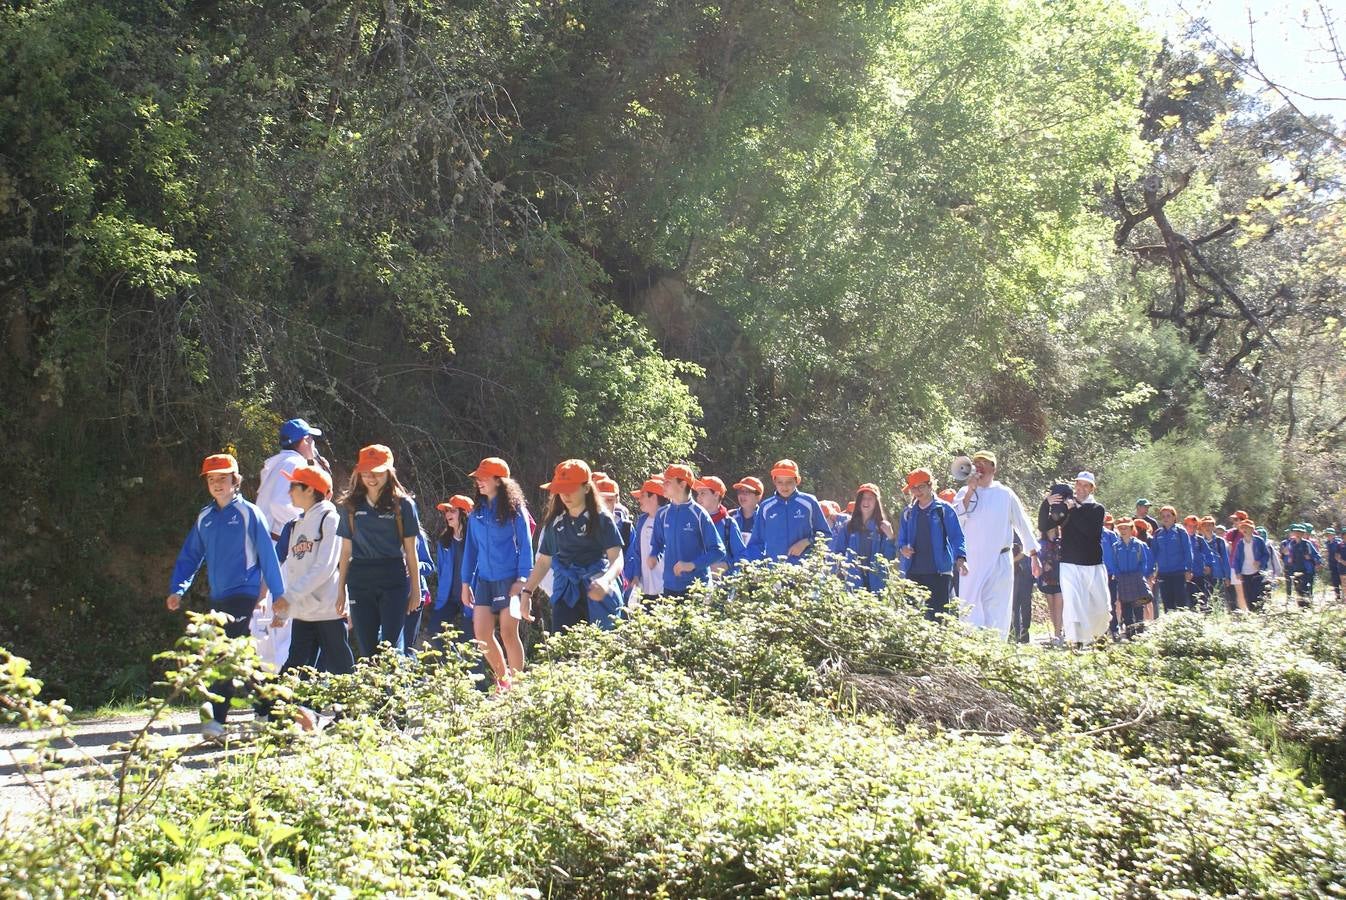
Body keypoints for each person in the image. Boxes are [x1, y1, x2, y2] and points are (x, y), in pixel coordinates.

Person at [166, 453, 288, 738]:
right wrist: (177, 588)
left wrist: (278, 595)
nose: (217, 484)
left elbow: (268, 557)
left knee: (223, 656)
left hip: (244, 595)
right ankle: (268, 711)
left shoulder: (249, 513)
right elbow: (190, 556)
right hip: (218, 599)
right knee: (243, 659)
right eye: (211, 479)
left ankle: (216, 722)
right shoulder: (205, 517)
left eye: (223, 478)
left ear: (236, 480)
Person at [267, 461, 353, 714]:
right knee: (296, 666)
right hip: (303, 612)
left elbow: (326, 566)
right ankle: (283, 716)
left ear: (309, 489)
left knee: (340, 665)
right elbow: (293, 570)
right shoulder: (295, 525)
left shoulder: (330, 518)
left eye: (294, 486)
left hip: (327, 609)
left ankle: (353, 714)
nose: (289, 491)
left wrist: (289, 597)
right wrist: (284, 609)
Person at [336, 444, 422, 659]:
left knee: (390, 648)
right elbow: (345, 551)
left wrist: (417, 589)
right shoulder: (350, 506)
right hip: (360, 579)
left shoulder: (403, 505)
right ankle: (371, 692)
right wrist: (340, 590)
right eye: (366, 472)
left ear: (389, 471)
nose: (371, 477)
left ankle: (394, 691)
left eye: (377, 472)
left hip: (392, 576)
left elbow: (411, 551)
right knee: (366, 649)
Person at [521, 459, 626, 632]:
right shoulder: (555, 522)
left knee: (600, 650)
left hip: (597, 590)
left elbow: (617, 558)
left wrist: (605, 581)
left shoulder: (602, 519)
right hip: (565, 592)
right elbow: (543, 562)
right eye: (561, 490)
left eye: (570, 489)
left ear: (586, 488)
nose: (565, 495)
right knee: (563, 651)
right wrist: (527, 593)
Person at [461, 457, 534, 689]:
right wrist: (465, 582)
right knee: (482, 635)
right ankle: (504, 683)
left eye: (484, 477)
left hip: (510, 580)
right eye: (478, 478)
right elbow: (470, 550)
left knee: (508, 632)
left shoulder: (515, 510)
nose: (479, 482)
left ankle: (518, 687)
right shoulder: (477, 513)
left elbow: (526, 545)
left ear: (499, 480)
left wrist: (523, 579)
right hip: (484, 581)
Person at [951, 451, 1038, 638]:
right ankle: (972, 647)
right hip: (972, 560)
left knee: (998, 607)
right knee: (970, 606)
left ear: (994, 468)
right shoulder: (963, 493)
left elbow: (1022, 523)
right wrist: (970, 491)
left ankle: (995, 648)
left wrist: (1033, 555)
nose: (979, 465)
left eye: (985, 462)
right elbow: (956, 520)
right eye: (976, 462)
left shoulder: (1005, 494)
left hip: (1000, 559)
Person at [1051, 472, 1111, 647]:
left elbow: (1090, 531)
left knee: (1100, 605)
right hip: (1069, 562)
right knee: (1073, 603)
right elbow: (1051, 522)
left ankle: (1100, 637)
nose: (1082, 489)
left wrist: (1073, 510)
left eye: (1087, 485)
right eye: (1079, 484)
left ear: (1092, 488)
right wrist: (1060, 507)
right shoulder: (1066, 506)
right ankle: (1076, 641)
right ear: (1075, 485)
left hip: (1093, 563)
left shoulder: (1097, 509)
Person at [897, 470, 967, 618]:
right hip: (913, 571)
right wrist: (903, 548)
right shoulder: (908, 513)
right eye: (913, 488)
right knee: (912, 616)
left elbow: (956, 536)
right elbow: (901, 539)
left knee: (938, 617)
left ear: (930, 486)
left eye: (920, 487)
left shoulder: (944, 510)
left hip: (938, 573)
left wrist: (960, 558)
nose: (917, 491)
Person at [648, 464, 726, 597]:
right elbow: (657, 543)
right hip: (669, 587)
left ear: (682, 484)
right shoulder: (662, 514)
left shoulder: (699, 514)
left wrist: (692, 565)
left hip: (697, 587)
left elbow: (718, 550)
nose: (663, 486)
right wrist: (654, 555)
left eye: (667, 482)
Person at [256, 418, 330, 540]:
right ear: (306, 440)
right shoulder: (294, 463)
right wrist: (307, 523)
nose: (313, 443)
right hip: (275, 543)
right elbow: (278, 503)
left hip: (265, 540)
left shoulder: (281, 462)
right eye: (311, 438)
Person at [744, 460, 831, 563]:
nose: (784, 486)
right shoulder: (766, 507)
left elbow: (826, 535)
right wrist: (753, 568)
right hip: (774, 572)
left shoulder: (809, 503)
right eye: (780, 482)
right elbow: (756, 543)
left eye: (789, 482)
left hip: (805, 570)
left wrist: (806, 542)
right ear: (774, 482)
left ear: (797, 481)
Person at [426, 495, 473, 652]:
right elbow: (440, 571)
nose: (447, 515)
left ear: (464, 513)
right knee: (435, 631)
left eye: (452, 511)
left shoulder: (475, 539)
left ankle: (473, 674)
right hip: (449, 598)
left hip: (472, 599)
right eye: (446, 511)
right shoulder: (444, 541)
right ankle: (455, 664)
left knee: (470, 642)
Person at [833, 483, 898, 593]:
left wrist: (891, 538)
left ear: (876, 502)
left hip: (877, 584)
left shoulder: (883, 527)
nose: (866, 502)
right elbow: (839, 553)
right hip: (853, 583)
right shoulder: (848, 526)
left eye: (870, 498)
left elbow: (889, 558)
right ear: (858, 501)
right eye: (863, 498)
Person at [1105, 518, 1154, 638]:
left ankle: (1140, 633)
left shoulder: (1138, 545)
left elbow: (1144, 561)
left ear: (1132, 529)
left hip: (1137, 579)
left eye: (1126, 527)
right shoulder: (1116, 547)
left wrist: (1140, 574)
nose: (1123, 530)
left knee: (1139, 606)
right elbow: (1113, 563)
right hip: (1123, 580)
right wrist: (1118, 575)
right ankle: (1130, 635)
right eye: (1120, 528)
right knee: (1126, 609)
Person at [624, 476, 667, 601]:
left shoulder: (669, 519)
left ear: (653, 497)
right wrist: (636, 576)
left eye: (642, 496)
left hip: (666, 588)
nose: (639, 500)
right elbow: (637, 552)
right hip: (645, 588)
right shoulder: (642, 520)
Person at [694, 476, 748, 575]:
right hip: (696, 583)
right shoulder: (693, 522)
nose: (698, 497)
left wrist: (727, 565)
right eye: (698, 494)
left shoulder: (728, 524)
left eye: (703, 493)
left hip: (723, 585)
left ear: (716, 494)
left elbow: (742, 557)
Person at [1151, 506, 1193, 613]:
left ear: (1174, 517)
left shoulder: (1180, 531)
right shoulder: (1158, 533)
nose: (1166, 518)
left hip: (1178, 572)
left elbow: (1187, 551)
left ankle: (1182, 626)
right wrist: (1152, 570)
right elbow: (1154, 553)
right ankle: (1169, 627)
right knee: (1167, 602)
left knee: (1180, 601)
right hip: (1163, 573)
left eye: (1168, 516)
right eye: (1163, 516)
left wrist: (1189, 569)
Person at [1233, 519, 1272, 610]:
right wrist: (1237, 572)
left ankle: (1259, 611)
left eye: (1247, 527)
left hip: (1257, 571)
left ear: (1252, 529)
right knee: (1247, 594)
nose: (1245, 530)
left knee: (1257, 593)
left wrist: (1260, 562)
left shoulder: (1259, 541)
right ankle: (1251, 613)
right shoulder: (1240, 543)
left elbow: (1266, 554)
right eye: (1242, 528)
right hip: (1244, 572)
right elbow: (1237, 559)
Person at [1286, 523, 1322, 608]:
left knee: (1305, 588)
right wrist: (1290, 559)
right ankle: (1301, 607)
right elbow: (1289, 553)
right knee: (1297, 588)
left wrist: (1311, 558)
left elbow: (1317, 555)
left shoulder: (1307, 544)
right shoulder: (1292, 543)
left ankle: (1308, 606)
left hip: (1307, 570)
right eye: (1296, 532)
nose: (1298, 534)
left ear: (1303, 534)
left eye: (1300, 532)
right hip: (1296, 569)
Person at [1183, 514, 1212, 609]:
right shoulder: (1180, 539)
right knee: (1186, 601)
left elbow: (1208, 553)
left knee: (1201, 599)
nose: (1192, 528)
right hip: (1184, 575)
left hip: (1199, 574)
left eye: (1195, 526)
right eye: (1190, 526)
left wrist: (1208, 565)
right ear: (1185, 526)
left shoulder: (1199, 540)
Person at [1010, 537, 1034, 644]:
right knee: (1013, 604)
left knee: (1025, 603)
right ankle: (1015, 633)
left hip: (1025, 571)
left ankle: (1024, 632)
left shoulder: (1021, 526)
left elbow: (1024, 551)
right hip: (1013, 572)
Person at [730, 477, 764, 544]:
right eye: (740, 491)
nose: (742, 495)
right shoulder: (730, 516)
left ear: (758, 496)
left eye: (747, 492)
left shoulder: (765, 518)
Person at [1326, 527, 1344, 602]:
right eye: (1327, 534)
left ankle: (1343, 596)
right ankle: (1337, 596)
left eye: (1330, 534)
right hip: (1332, 564)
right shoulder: (1327, 543)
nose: (1328, 536)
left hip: (1339, 564)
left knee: (1342, 580)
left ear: (1333, 534)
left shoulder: (1338, 542)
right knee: (1335, 580)